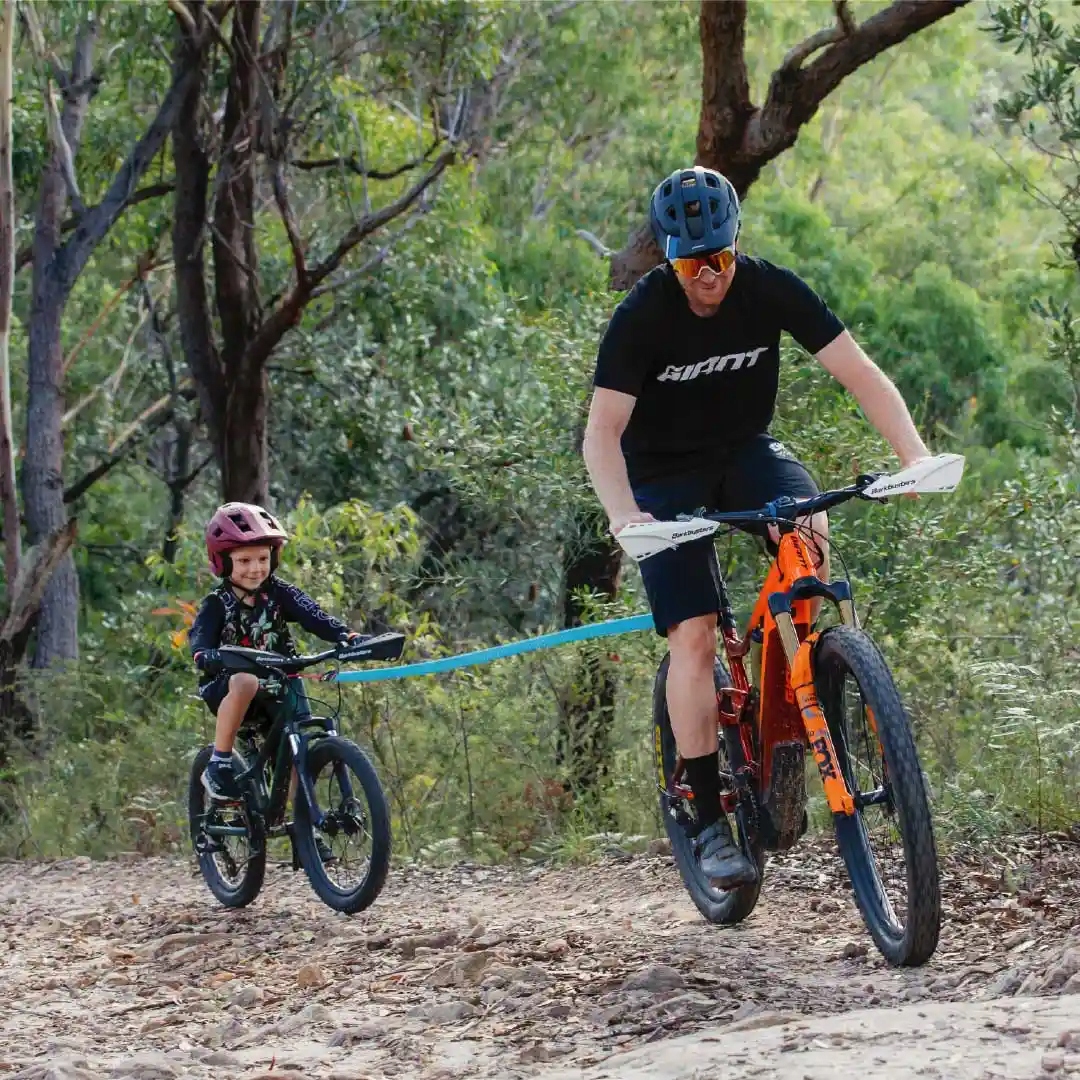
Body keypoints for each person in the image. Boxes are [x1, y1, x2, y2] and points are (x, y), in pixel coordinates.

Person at [582, 166, 931, 887]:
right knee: (695, 634)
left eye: (721, 257)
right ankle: (708, 819)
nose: (708, 275)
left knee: (811, 536)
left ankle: (800, 698)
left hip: (745, 454)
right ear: (667, 256)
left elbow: (859, 372)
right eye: (690, 262)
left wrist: (915, 455)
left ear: (736, 245)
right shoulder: (643, 315)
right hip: (662, 474)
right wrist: (626, 518)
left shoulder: (770, 287)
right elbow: (602, 435)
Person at [189, 501, 361, 802]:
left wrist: (344, 635)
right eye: (243, 561)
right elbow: (200, 638)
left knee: (300, 750)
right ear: (224, 563)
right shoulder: (217, 603)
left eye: (262, 558)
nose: (255, 568)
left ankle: (303, 828)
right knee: (245, 680)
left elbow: (313, 616)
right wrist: (205, 655)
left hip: (280, 682)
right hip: (230, 687)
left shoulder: (280, 592)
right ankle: (219, 762)